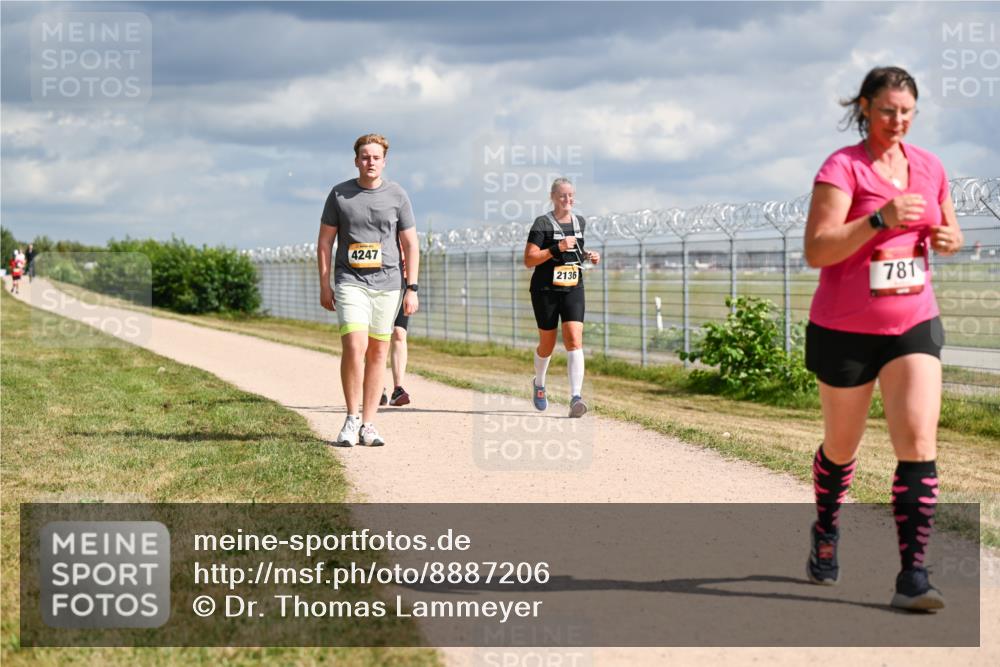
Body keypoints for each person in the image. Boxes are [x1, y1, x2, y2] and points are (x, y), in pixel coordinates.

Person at [802, 66, 963, 611]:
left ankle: (912, 577)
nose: (898, 121)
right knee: (842, 448)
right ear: (866, 108)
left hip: (912, 322)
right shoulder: (842, 167)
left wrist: (948, 239)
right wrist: (878, 221)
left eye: (907, 113)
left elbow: (951, 230)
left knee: (918, 442)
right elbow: (818, 250)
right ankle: (826, 528)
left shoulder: (930, 167)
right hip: (845, 329)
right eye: (888, 110)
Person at [318, 133, 420, 446]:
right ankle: (351, 418)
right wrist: (325, 283)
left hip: (388, 284)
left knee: (378, 352)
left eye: (375, 157)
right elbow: (325, 242)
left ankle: (369, 424)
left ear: (384, 161)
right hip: (350, 281)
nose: (370, 162)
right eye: (365, 156)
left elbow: (410, 243)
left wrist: (411, 287)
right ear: (356, 160)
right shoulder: (340, 194)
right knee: (354, 346)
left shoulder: (397, 195)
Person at [523, 178, 600, 418]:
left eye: (571, 196)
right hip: (545, 289)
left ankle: (576, 397)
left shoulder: (580, 222)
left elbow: (573, 254)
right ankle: (539, 383)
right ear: (553, 197)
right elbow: (529, 259)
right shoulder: (542, 223)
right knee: (547, 344)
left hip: (573, 286)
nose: (568, 200)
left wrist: (588, 255)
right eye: (563, 196)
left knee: (574, 340)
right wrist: (557, 248)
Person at [381, 248, 411, 407]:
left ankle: (398, 389)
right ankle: (377, 385)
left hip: (402, 282)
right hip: (376, 281)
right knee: (376, 336)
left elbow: (412, 250)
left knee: (399, 333)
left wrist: (412, 289)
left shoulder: (404, 224)